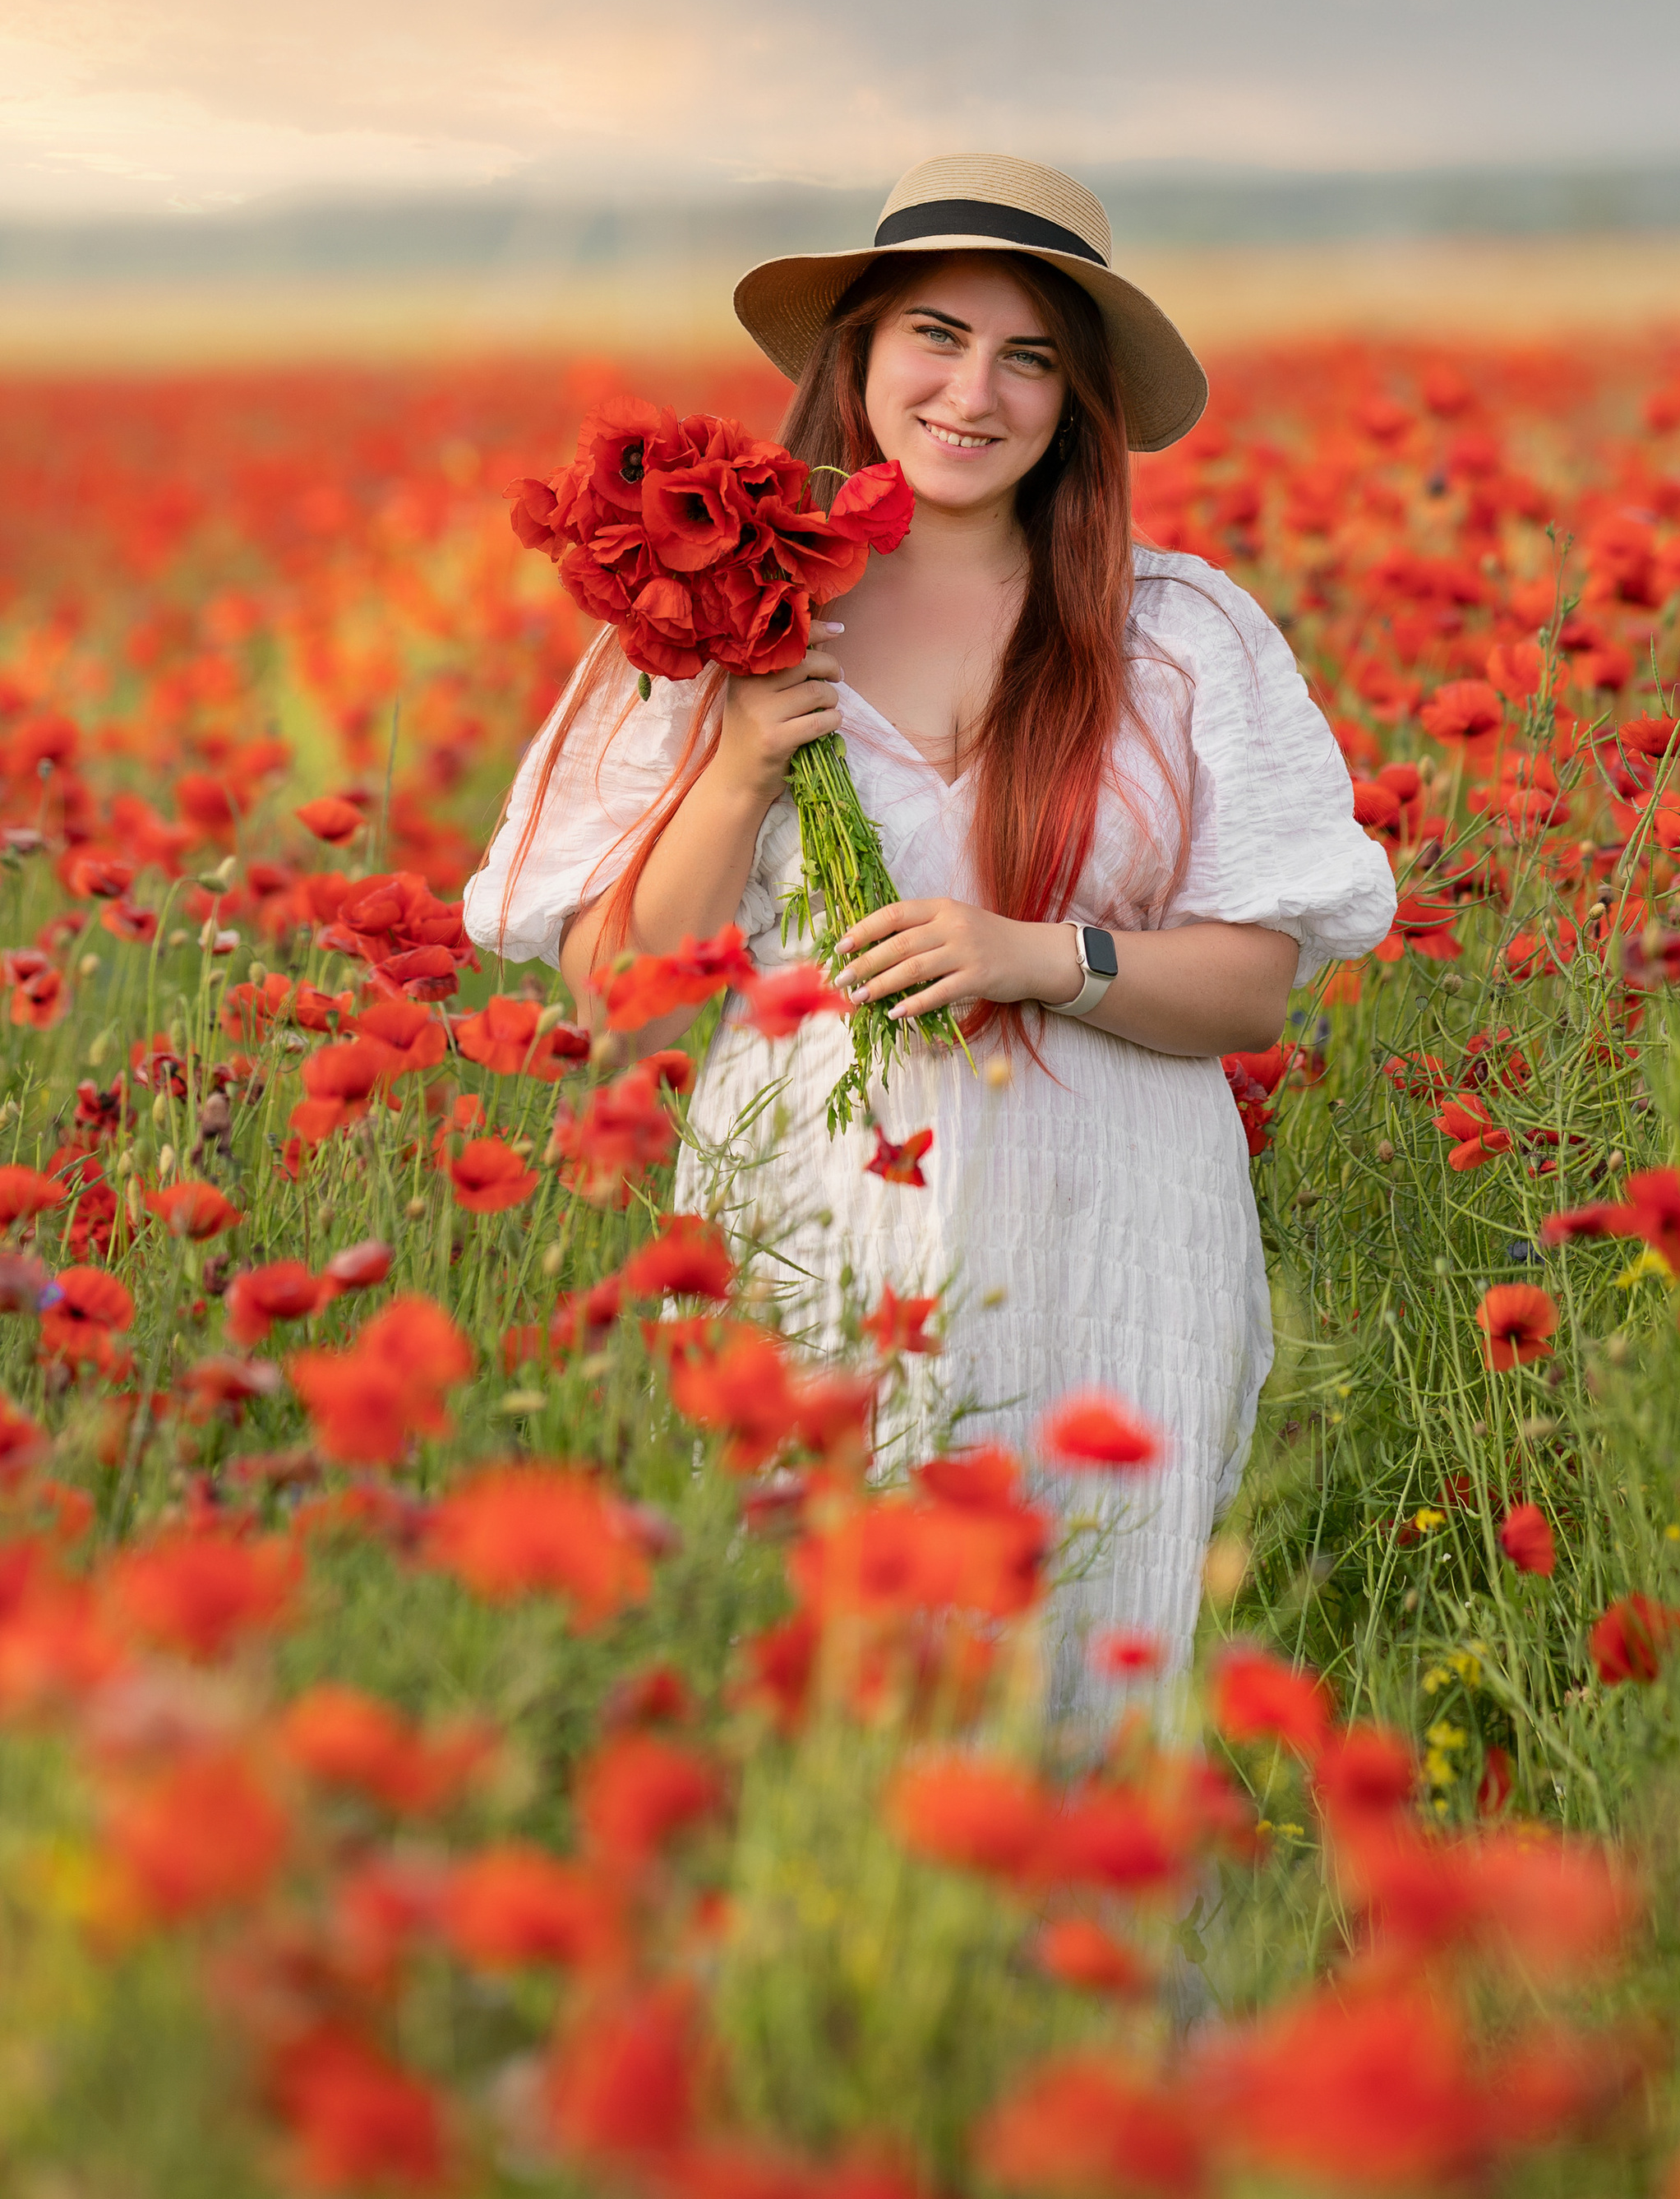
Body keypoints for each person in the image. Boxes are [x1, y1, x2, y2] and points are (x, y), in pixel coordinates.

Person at [464, 153, 1395, 1684]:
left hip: (1114, 1231)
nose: (977, 392)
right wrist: (745, 761)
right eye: (938, 339)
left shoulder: (1179, 635)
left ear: (1076, 401)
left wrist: (1048, 957)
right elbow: (619, 988)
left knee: (1090, 1682)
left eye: (1030, 356)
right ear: (861, 355)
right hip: (808, 1217)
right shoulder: (716, 616)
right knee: (816, 1677)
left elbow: (1250, 994)